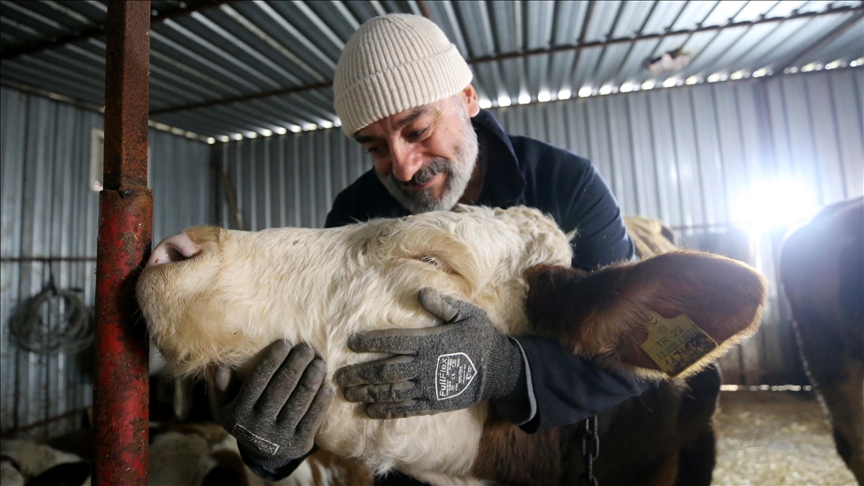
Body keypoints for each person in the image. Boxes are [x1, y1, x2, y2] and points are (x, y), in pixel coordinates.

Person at [211, 13, 657, 484]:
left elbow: (630, 361)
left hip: (540, 466)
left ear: (468, 99)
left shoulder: (566, 185)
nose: (402, 169)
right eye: (375, 147)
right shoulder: (356, 212)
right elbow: (328, 361)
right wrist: (275, 448)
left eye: (418, 130)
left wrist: (504, 368)